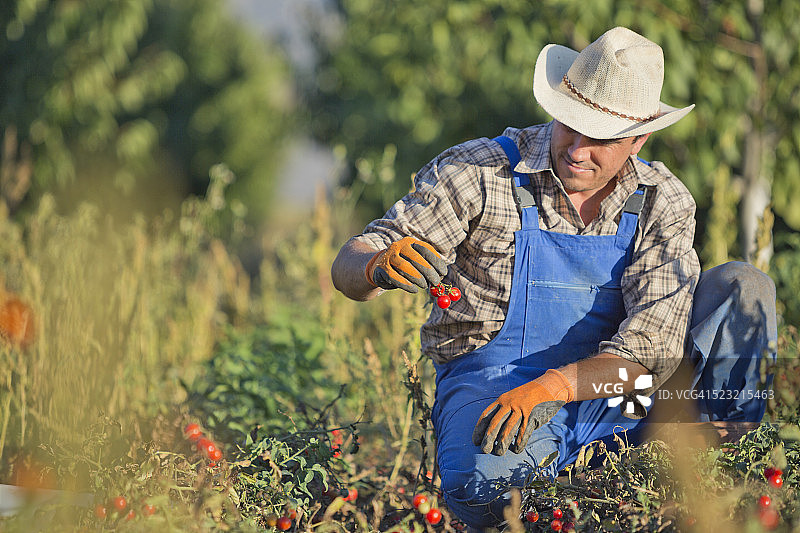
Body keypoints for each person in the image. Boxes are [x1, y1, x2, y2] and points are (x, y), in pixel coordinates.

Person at [331, 27, 777, 529]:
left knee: (744, 288)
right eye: (570, 125)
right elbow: (349, 264)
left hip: (621, 392)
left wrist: (555, 386)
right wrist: (373, 264)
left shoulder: (661, 200)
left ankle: (719, 479)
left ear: (639, 139)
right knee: (486, 490)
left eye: (601, 138)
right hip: (496, 387)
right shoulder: (480, 172)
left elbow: (651, 353)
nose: (577, 149)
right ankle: (572, 488)